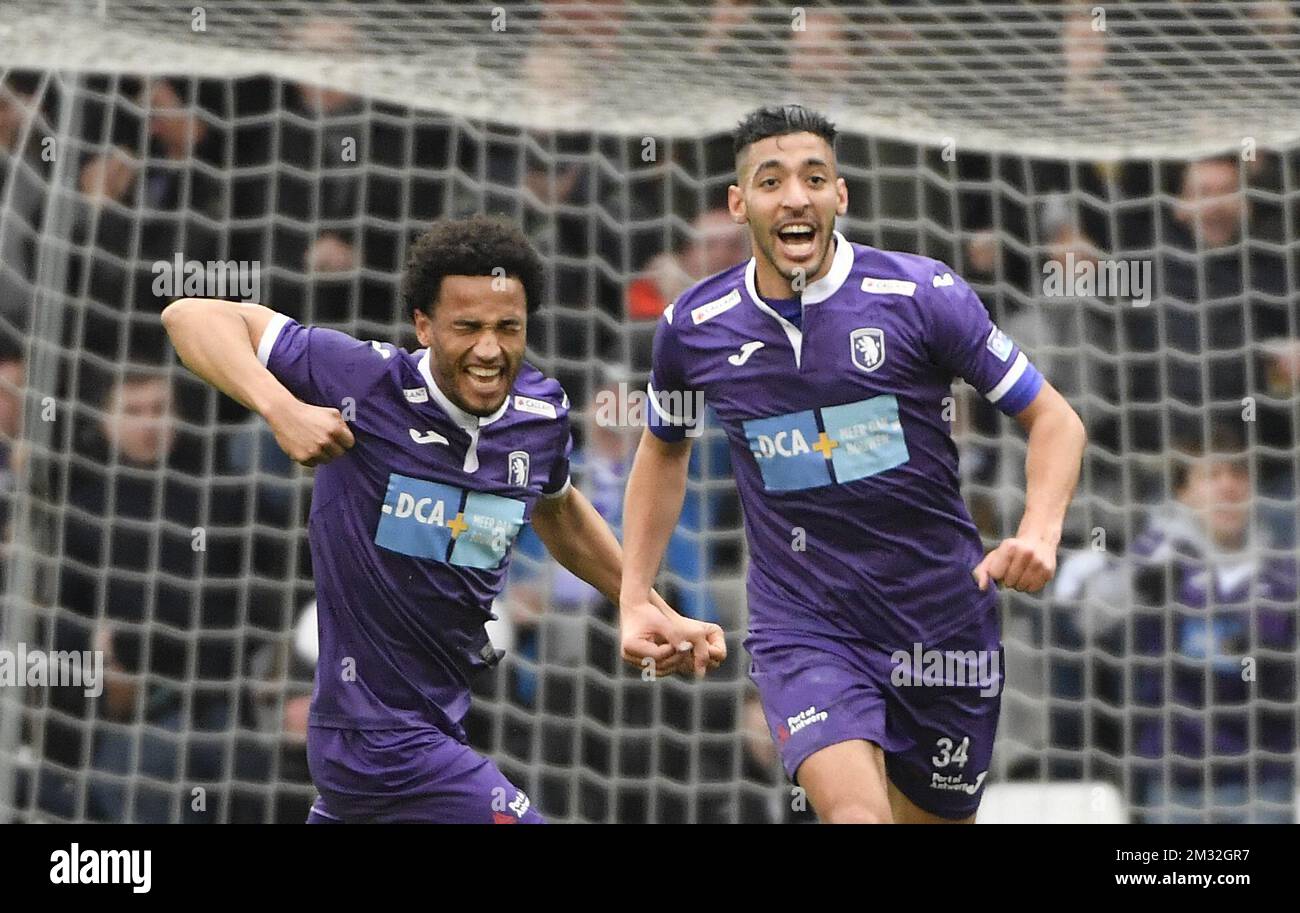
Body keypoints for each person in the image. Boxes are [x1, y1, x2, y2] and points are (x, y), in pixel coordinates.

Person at [162, 216, 724, 823]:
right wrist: (282, 408)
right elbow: (190, 317)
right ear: (424, 326)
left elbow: (557, 510)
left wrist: (643, 602)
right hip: (372, 736)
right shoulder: (365, 381)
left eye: (508, 327)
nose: (490, 349)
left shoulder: (540, 415)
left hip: (438, 723)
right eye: (468, 327)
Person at [619, 105, 1086, 824]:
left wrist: (1041, 530)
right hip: (805, 625)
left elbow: (1055, 418)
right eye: (771, 181)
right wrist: (634, 592)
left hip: (942, 624)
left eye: (814, 177)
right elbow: (663, 448)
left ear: (842, 195)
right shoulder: (693, 328)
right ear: (739, 204)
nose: (796, 196)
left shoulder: (922, 297)